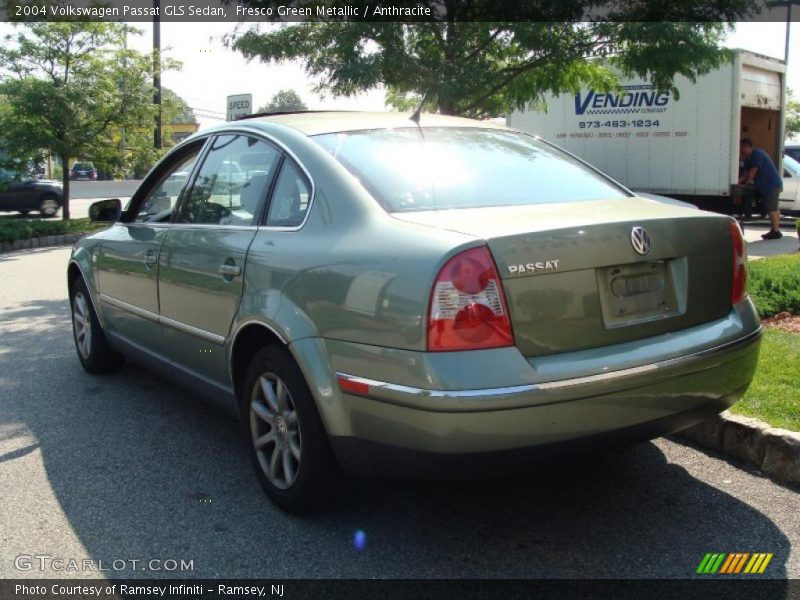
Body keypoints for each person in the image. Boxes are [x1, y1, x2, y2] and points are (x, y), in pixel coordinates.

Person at [738, 138, 783, 239]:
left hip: (772, 185)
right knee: (774, 207)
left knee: (772, 208)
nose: (740, 152)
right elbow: (745, 173)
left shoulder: (757, 154)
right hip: (768, 186)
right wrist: (739, 182)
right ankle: (775, 229)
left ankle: (776, 231)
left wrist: (746, 184)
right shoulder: (748, 159)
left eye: (741, 149)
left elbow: (753, 171)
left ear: (746, 146)